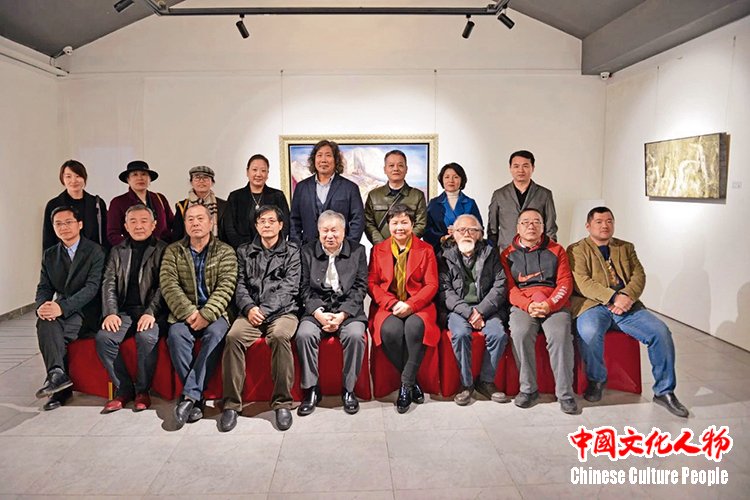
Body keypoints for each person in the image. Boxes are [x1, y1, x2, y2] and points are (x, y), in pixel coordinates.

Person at [567, 207, 688, 417]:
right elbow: (582, 282)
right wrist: (613, 297)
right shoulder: (576, 249)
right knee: (589, 333)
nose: (605, 225)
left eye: (609, 221)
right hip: (593, 305)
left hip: (627, 306)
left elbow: (639, 276)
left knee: (660, 332)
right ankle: (597, 380)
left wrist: (625, 296)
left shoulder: (626, 247)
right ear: (588, 226)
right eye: (599, 222)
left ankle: (664, 391)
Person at [219, 205, 300, 432]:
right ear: (256, 226)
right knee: (233, 337)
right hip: (251, 311)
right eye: (262, 221)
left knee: (280, 336)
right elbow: (239, 285)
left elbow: (290, 287)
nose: (266, 225)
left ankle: (282, 403)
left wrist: (264, 310)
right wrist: (249, 308)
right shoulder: (244, 251)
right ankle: (232, 404)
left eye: (271, 221)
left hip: (283, 311)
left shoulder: (292, 251)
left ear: (281, 225)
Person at [160, 204, 237, 429]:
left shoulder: (225, 251)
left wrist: (206, 314)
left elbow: (226, 287)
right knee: (176, 336)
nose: (195, 223)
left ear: (211, 223)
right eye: (190, 219)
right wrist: (190, 312)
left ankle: (189, 397)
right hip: (183, 313)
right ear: (184, 224)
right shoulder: (173, 251)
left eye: (200, 218)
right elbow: (168, 285)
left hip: (216, 313)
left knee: (215, 335)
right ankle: (196, 398)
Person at [500, 208, 577, 414]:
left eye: (536, 222)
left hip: (554, 303)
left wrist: (550, 304)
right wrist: (527, 305)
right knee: (520, 332)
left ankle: (565, 394)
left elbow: (565, 283)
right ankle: (528, 389)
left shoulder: (557, 250)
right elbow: (509, 288)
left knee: (560, 335)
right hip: (524, 304)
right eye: (525, 222)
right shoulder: (507, 254)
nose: (531, 226)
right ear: (518, 227)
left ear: (543, 227)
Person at [95, 204, 167, 413]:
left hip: (153, 312)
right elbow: (108, 282)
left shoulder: (164, 249)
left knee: (146, 338)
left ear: (153, 225)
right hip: (125, 311)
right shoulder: (117, 251)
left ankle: (143, 390)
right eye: (133, 221)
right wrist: (111, 312)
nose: (138, 226)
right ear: (125, 226)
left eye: (144, 221)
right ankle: (124, 389)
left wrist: (151, 312)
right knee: (104, 338)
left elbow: (165, 285)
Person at [368, 204, 439, 414]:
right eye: (395, 223)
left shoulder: (426, 249)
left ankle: (406, 386)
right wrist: (392, 303)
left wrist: (411, 304)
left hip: (418, 304)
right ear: (388, 225)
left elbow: (431, 284)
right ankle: (413, 381)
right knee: (390, 331)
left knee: (414, 328)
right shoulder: (378, 250)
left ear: (412, 224)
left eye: (404, 222)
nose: (400, 227)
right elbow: (372, 283)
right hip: (388, 304)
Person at [296, 210, 368, 417]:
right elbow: (303, 288)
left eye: (334, 231)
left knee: (355, 336)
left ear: (344, 231)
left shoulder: (358, 251)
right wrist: (318, 313)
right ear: (318, 232)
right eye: (325, 231)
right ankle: (311, 389)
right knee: (304, 335)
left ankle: (349, 389)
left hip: (348, 309)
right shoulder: (307, 251)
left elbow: (360, 287)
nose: (330, 236)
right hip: (317, 308)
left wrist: (343, 314)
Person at [34, 206, 105, 411]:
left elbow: (92, 288)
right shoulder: (50, 255)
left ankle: (59, 388)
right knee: (45, 322)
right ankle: (57, 375)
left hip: (88, 311)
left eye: (68, 222)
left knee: (54, 331)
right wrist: (42, 306)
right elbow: (44, 287)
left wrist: (61, 308)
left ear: (79, 224)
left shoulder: (95, 251)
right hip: (64, 310)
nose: (63, 227)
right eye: (58, 224)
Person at [438, 214, 508, 406]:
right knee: (460, 334)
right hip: (458, 310)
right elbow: (445, 291)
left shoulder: (491, 254)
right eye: (461, 230)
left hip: (487, 308)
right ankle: (466, 384)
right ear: (453, 234)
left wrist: (481, 311)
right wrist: (469, 313)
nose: (467, 234)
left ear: (481, 234)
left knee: (498, 335)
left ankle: (486, 381)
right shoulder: (444, 257)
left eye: (472, 230)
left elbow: (500, 285)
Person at [289, 140, 364, 245]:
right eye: (319, 155)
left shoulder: (350, 188)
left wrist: (349, 246)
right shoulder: (302, 187)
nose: (323, 160)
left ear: (336, 160)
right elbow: (294, 221)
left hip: (340, 250)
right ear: (314, 159)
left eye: (328, 155)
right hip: (308, 250)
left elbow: (358, 220)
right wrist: (297, 247)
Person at [487, 150, 557, 250]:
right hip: (506, 251)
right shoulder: (499, 195)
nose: (521, 170)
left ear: (533, 168)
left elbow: (551, 228)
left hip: (536, 251)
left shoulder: (545, 194)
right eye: (516, 166)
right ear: (510, 168)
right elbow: (492, 230)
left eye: (525, 166)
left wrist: (549, 252)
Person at [223, 154, 290, 249]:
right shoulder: (235, 197)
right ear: (247, 172)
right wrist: (244, 249)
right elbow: (229, 228)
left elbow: (285, 224)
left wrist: (273, 246)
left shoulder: (277, 195)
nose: (258, 174)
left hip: (273, 250)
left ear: (267, 174)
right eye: (254, 170)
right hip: (242, 250)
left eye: (263, 170)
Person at [364, 150, 427, 244]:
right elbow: (368, 224)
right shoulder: (374, 195)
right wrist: (383, 245)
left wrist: (403, 243)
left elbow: (421, 224)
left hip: (409, 249)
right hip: (381, 249)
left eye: (400, 165)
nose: (396, 169)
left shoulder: (417, 195)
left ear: (406, 169)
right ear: (385, 169)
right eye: (391, 165)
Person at [43, 160, 108, 251]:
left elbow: (105, 234)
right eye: (68, 176)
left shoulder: (97, 203)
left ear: (84, 178)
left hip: (94, 255)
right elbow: (48, 238)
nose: (73, 180)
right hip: (63, 256)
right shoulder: (53, 205)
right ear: (62, 179)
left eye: (78, 176)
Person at [108, 160, 174, 246]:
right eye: (135, 174)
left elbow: (172, 224)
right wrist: (132, 247)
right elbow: (113, 234)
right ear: (128, 179)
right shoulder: (118, 202)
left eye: (144, 174)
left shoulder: (159, 198)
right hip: (133, 251)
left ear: (150, 179)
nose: (140, 178)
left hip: (162, 249)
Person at [424, 162, 482, 254]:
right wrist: (442, 238)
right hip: (440, 252)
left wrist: (462, 232)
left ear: (462, 180)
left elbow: (479, 229)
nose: (451, 180)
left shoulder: (470, 203)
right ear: (442, 180)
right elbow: (427, 230)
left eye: (455, 177)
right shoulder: (434, 203)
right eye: (447, 177)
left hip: (466, 252)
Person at [172, 166, 227, 242]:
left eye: (205, 178)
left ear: (212, 182)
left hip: (218, 246)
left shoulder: (223, 205)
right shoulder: (182, 206)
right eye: (197, 178)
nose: (201, 181)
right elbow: (177, 234)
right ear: (191, 182)